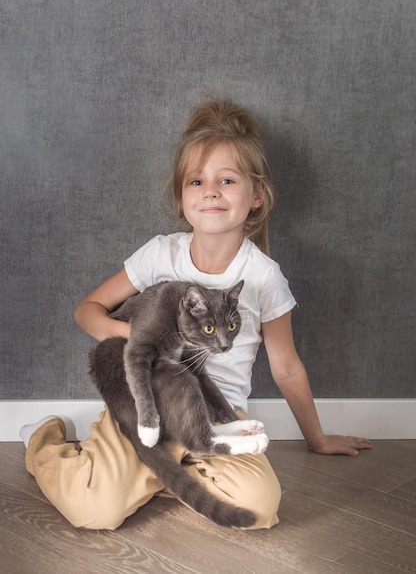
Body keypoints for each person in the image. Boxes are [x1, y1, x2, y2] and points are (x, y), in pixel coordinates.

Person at [20, 99, 372, 531]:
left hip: (216, 416)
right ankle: (44, 441)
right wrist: (133, 339)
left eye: (227, 180)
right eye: (197, 181)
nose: (211, 191)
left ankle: (152, 475)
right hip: (143, 403)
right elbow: (86, 311)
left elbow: (287, 367)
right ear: (181, 195)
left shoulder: (262, 276)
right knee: (94, 512)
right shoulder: (160, 254)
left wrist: (316, 439)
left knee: (260, 509)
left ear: (257, 196)